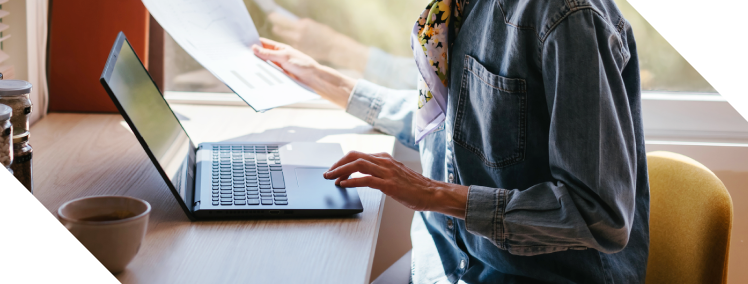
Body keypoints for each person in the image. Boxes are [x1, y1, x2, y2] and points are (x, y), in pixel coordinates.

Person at [252, 0, 650, 282]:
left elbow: (599, 217)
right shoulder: (459, 8)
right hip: (443, 259)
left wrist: (432, 193)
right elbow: (454, 124)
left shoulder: (568, 16)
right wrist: (327, 80)